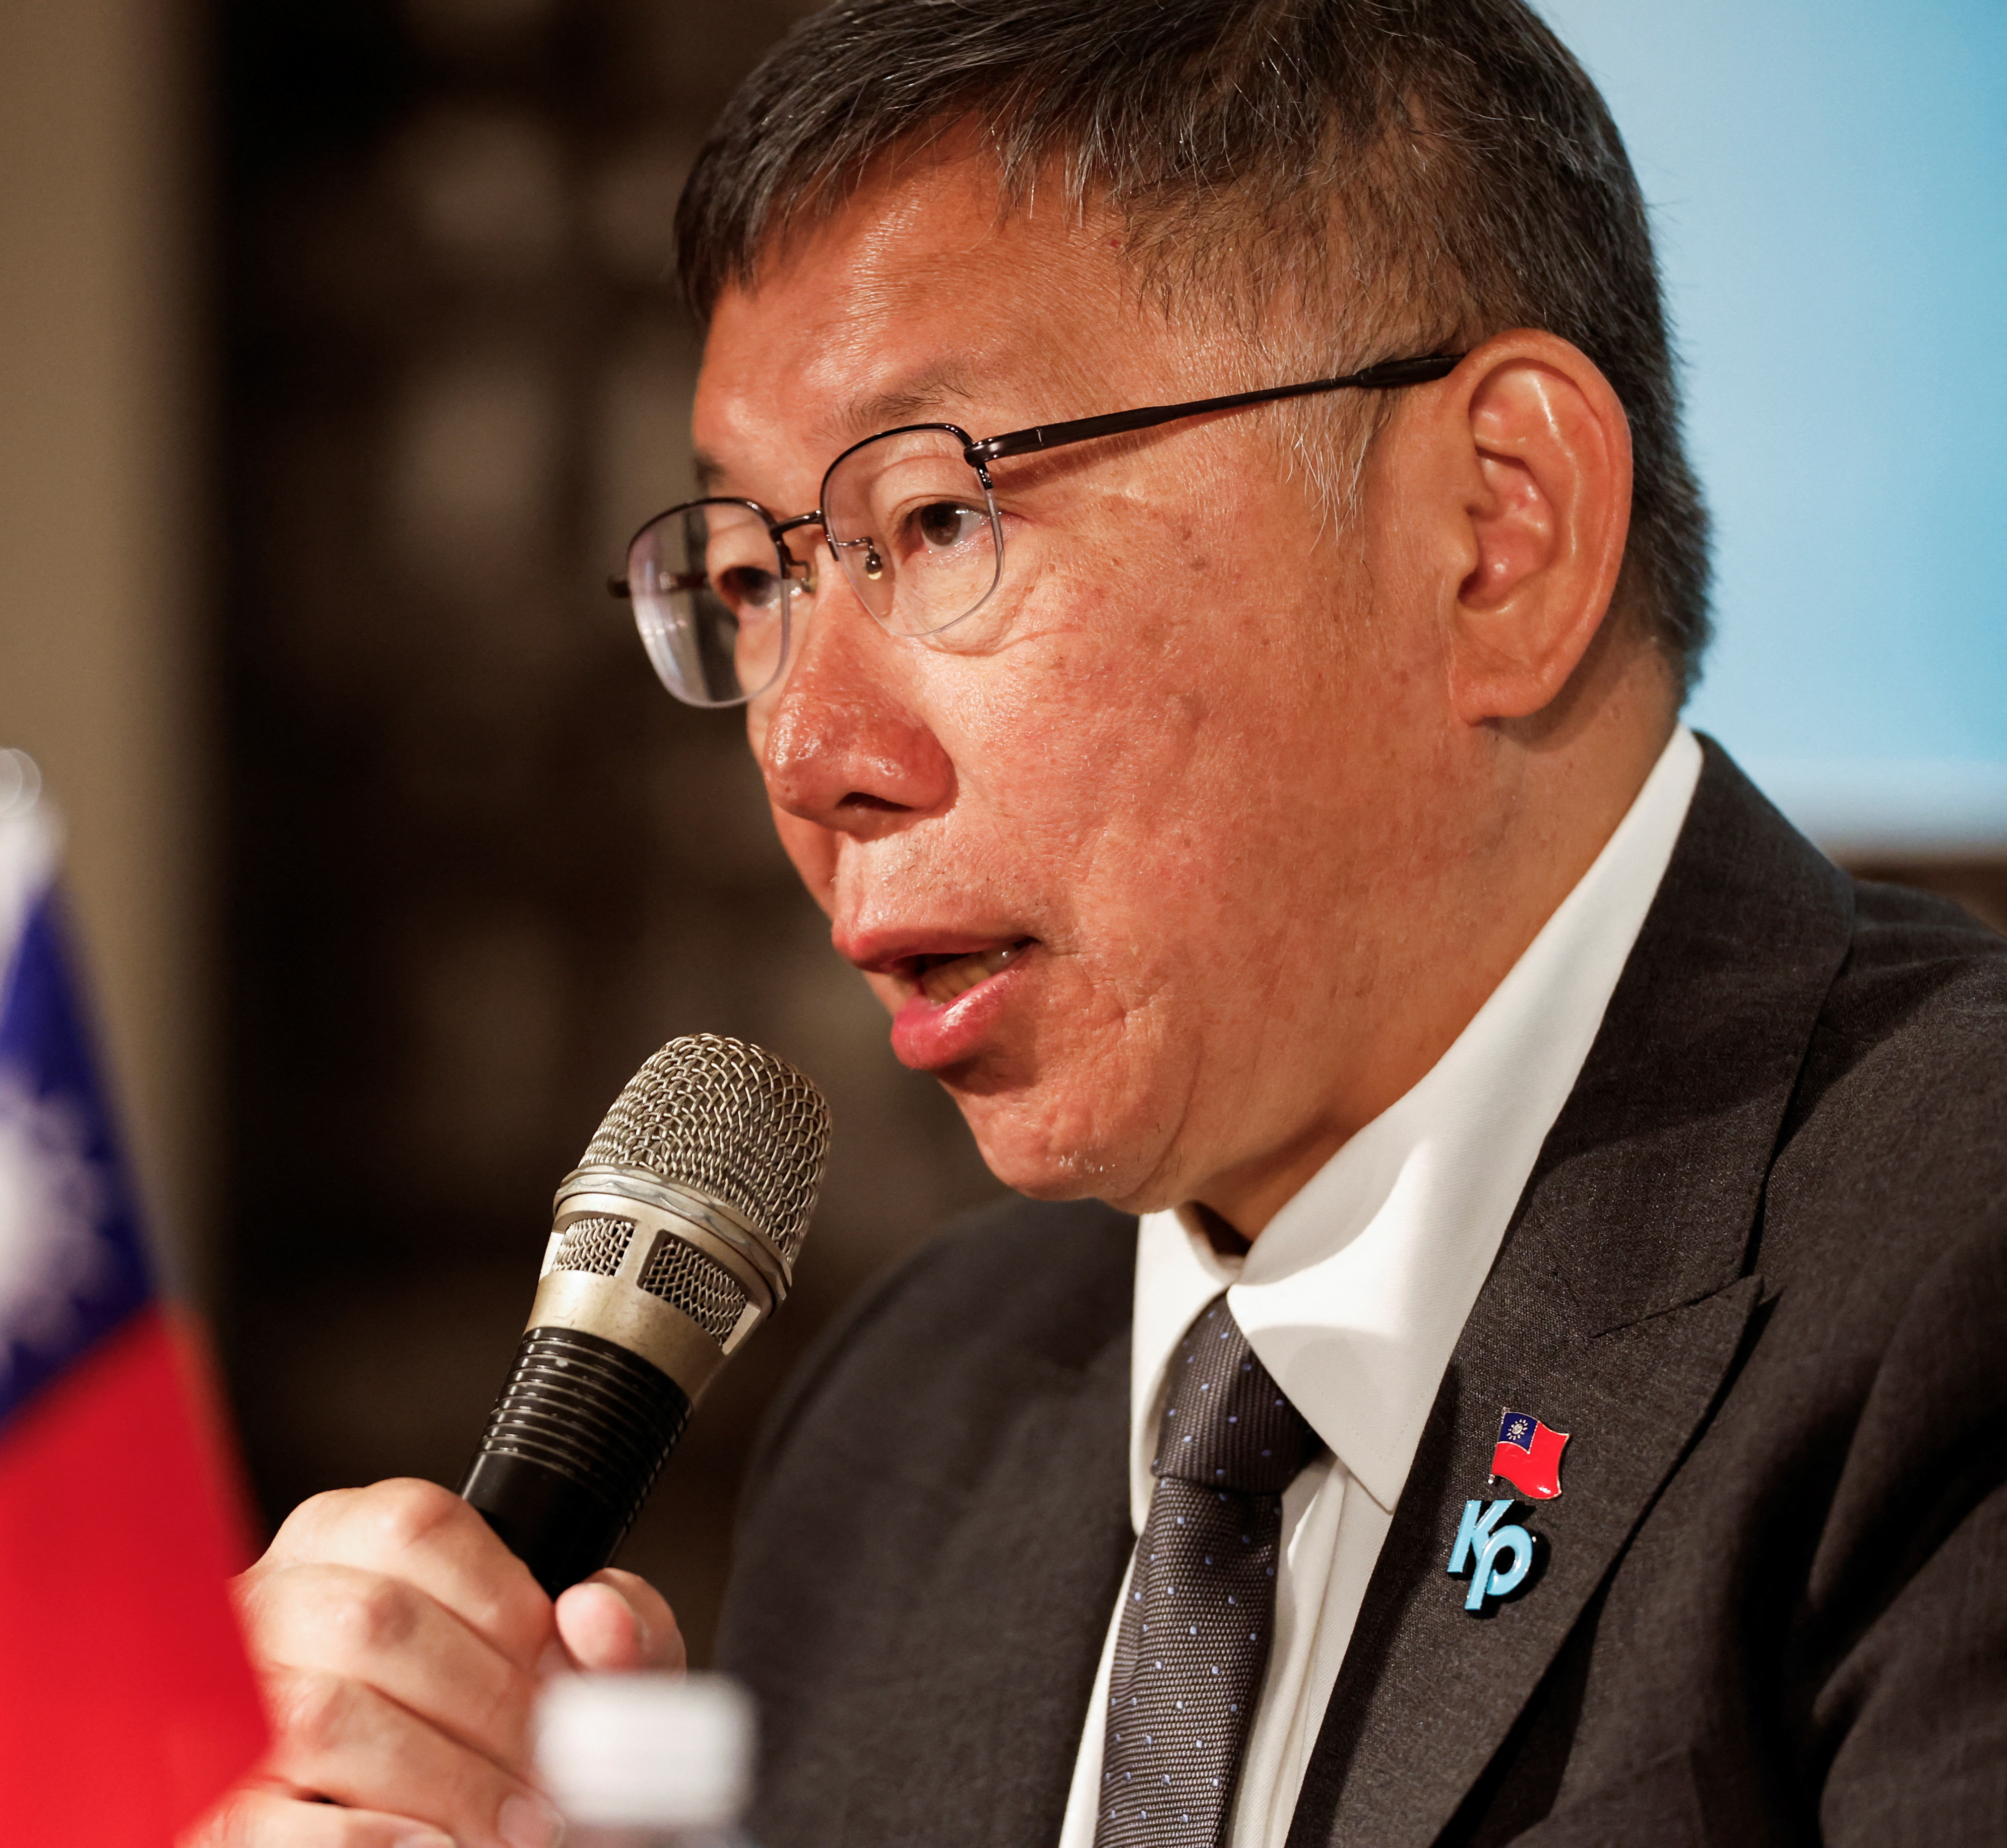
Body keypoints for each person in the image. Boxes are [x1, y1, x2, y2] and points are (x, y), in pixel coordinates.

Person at [198, 2, 2007, 1844]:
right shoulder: (913, 1422)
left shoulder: (1954, 1244)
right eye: (752, 579)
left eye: (934, 518)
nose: (810, 750)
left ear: (1495, 529)